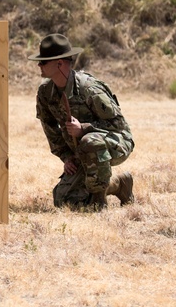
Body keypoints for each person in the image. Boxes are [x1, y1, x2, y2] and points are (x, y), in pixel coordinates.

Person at [29, 34, 134, 210]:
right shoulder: (45, 93)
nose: (39, 65)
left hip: (115, 143)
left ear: (60, 63)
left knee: (90, 141)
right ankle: (119, 184)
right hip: (83, 151)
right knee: (63, 200)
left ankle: (98, 201)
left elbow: (118, 125)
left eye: (43, 62)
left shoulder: (88, 88)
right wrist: (66, 156)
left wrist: (84, 129)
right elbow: (50, 130)